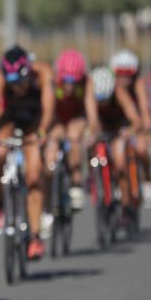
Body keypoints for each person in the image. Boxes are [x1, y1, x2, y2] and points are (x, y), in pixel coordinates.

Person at [0, 46, 54, 261]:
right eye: (12, 83)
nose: (17, 87)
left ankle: (35, 236)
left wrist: (43, 131)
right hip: (11, 117)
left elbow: (48, 107)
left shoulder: (43, 73)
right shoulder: (1, 77)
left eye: (21, 82)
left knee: (34, 175)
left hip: (34, 121)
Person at [46, 49, 98, 212]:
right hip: (58, 119)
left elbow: (91, 112)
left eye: (74, 81)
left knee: (74, 136)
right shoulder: (53, 82)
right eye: (66, 80)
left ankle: (76, 181)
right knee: (52, 147)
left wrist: (91, 130)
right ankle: (50, 194)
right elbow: (47, 110)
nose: (69, 85)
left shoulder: (86, 83)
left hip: (77, 118)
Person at [111, 49, 151, 208]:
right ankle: (115, 183)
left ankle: (147, 178)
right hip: (116, 124)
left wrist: (148, 129)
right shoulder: (111, 85)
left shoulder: (139, 84)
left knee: (142, 149)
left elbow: (144, 109)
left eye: (128, 75)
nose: (124, 79)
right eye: (120, 75)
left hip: (135, 123)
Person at [91, 66, 142, 204]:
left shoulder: (119, 92)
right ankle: (94, 179)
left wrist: (128, 132)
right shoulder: (90, 96)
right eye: (99, 101)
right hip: (104, 130)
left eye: (105, 100)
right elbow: (91, 121)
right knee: (91, 147)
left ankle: (126, 203)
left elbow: (136, 120)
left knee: (120, 162)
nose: (103, 104)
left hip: (120, 128)